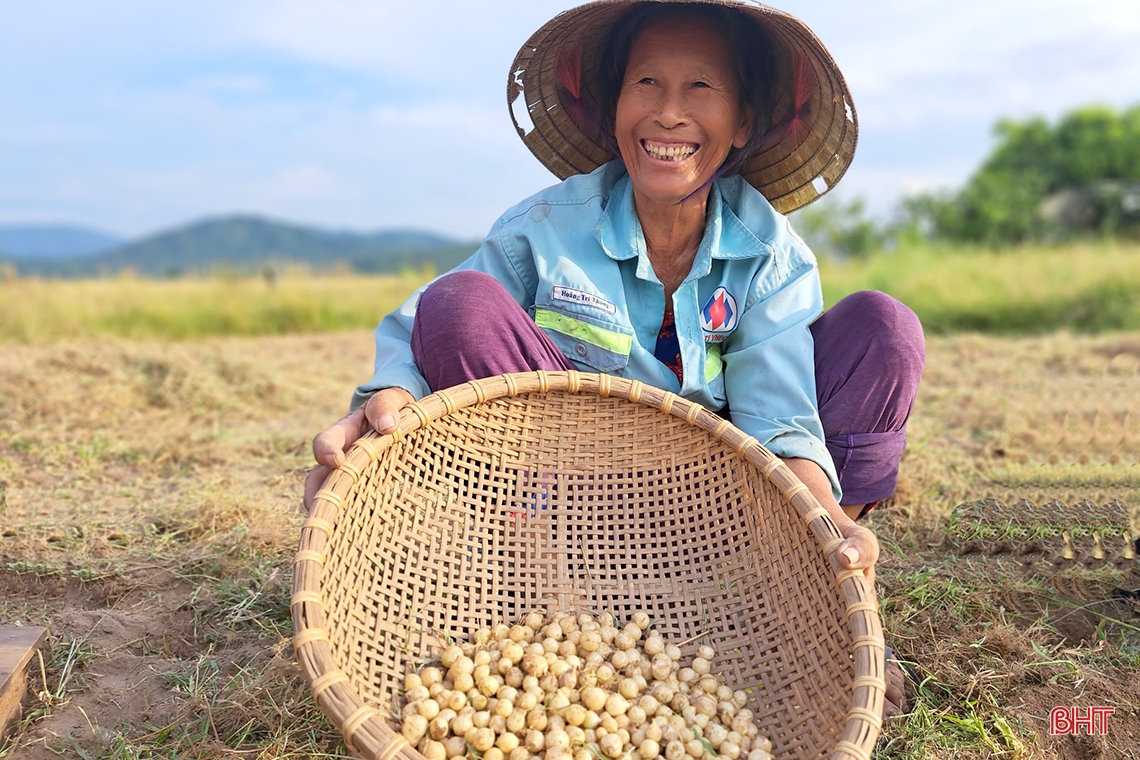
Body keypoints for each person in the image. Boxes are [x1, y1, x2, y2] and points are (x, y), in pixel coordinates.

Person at [304, 0, 924, 718]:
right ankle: (550, 612)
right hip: (571, 505)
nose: (669, 113)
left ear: (744, 123)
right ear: (614, 107)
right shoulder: (548, 228)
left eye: (702, 88)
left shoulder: (769, 253)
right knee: (460, 303)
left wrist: (833, 532)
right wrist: (382, 398)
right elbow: (429, 322)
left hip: (722, 508)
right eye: (647, 84)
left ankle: (816, 598)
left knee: (885, 326)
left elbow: (780, 415)